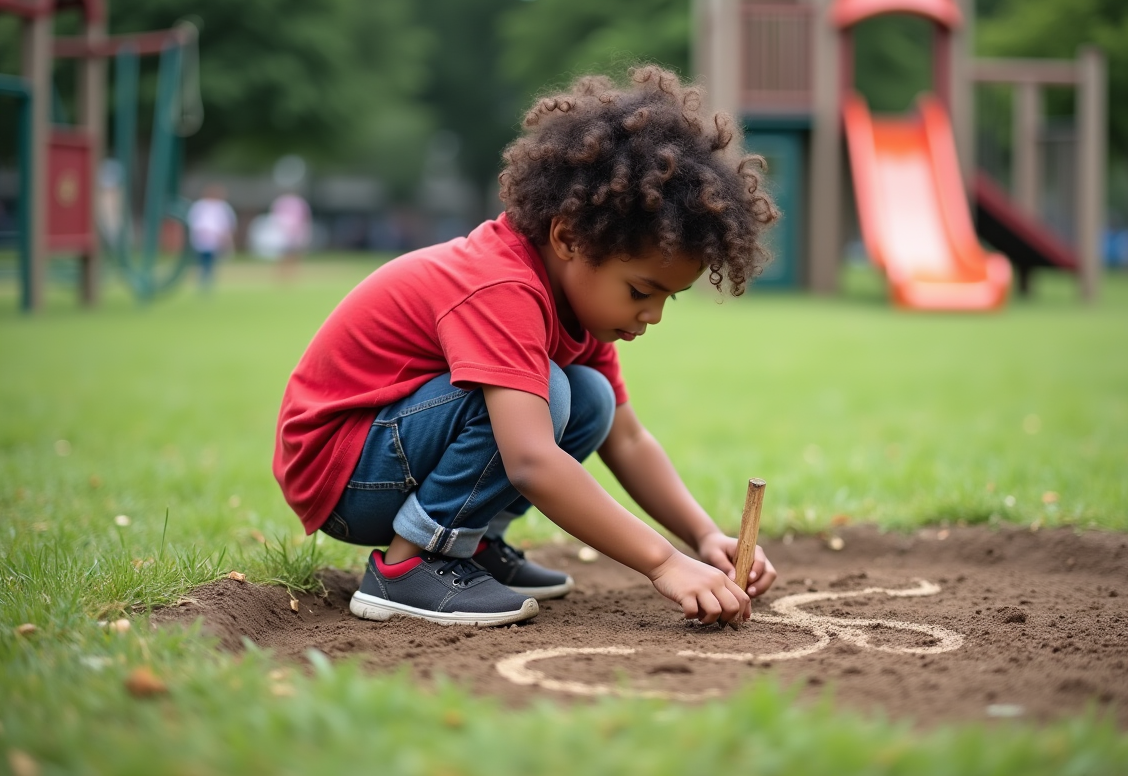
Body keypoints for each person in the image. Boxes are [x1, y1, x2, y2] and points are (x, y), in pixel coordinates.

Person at [273, 66, 780, 628]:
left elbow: (628, 439)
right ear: (567, 237)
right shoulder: (503, 286)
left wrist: (704, 536)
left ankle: (469, 544)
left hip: (390, 455)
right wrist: (664, 562)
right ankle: (410, 567)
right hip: (342, 472)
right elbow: (532, 463)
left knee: (591, 398)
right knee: (550, 394)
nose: (652, 315)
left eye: (670, 298)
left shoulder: (576, 312)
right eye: (641, 290)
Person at [186, 184, 237, 290]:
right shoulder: (199, 206)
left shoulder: (222, 207)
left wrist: (225, 238)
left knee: (211, 261)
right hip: (201, 238)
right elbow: (194, 222)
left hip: (216, 239)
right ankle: (204, 280)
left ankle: (207, 280)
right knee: (203, 260)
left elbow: (228, 224)